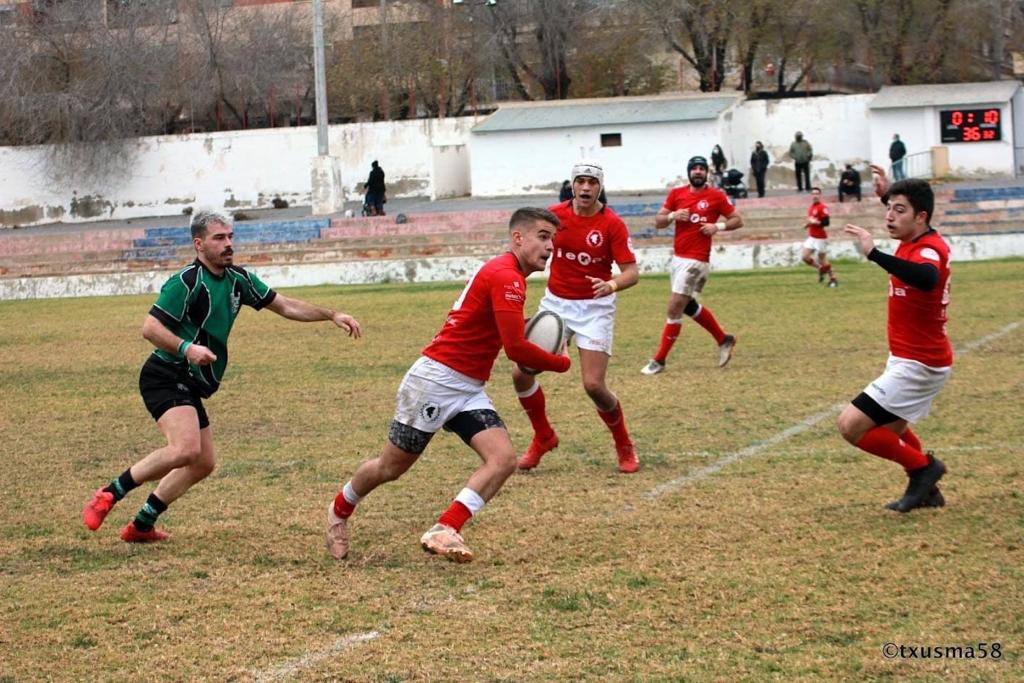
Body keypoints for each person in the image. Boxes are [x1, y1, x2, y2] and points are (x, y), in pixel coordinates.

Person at [81, 210, 362, 542]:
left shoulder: (237, 279)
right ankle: (110, 493)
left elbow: (285, 306)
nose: (229, 244)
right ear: (199, 244)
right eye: (219, 238)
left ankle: (142, 525)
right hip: (165, 374)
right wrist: (187, 348)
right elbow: (150, 329)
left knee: (203, 463)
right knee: (185, 450)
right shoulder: (185, 281)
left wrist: (332, 314)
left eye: (230, 237)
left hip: (191, 380)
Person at [325, 208, 571, 563]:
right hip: (435, 383)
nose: (551, 247)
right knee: (390, 468)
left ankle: (446, 527)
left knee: (502, 459)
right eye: (544, 237)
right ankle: (338, 511)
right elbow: (516, 349)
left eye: (554, 239)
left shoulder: (506, 272)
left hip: (467, 387)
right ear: (518, 238)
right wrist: (561, 362)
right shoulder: (507, 276)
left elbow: (501, 329)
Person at [513, 160, 641, 474]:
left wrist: (610, 284)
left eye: (592, 182)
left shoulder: (612, 224)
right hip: (556, 304)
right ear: (572, 184)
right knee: (521, 373)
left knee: (594, 385)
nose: (585, 187)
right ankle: (543, 435)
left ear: (600, 187)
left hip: (595, 308)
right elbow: (529, 250)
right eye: (580, 181)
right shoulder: (553, 216)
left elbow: (632, 273)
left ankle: (623, 444)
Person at [838, 166, 951, 512]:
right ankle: (927, 489)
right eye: (888, 209)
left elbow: (928, 277)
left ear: (922, 217)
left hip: (920, 363)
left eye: (898, 210)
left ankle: (924, 469)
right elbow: (903, 218)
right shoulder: (912, 238)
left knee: (851, 425)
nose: (889, 216)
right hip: (908, 357)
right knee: (891, 426)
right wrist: (888, 194)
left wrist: (874, 254)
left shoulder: (928, 249)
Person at [641, 156, 743, 376]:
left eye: (701, 169)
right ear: (689, 172)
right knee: (687, 306)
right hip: (678, 258)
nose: (698, 172)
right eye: (694, 168)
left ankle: (659, 360)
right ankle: (724, 339)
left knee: (675, 306)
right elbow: (658, 221)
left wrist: (718, 226)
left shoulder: (716, 196)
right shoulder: (677, 194)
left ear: (707, 173)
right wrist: (672, 215)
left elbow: (737, 220)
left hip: (697, 259)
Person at [801, 187, 838, 287]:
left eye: (817, 194)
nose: (815, 195)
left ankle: (833, 278)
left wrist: (815, 222)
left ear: (820, 195)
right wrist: (808, 224)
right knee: (805, 257)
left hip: (820, 237)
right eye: (813, 194)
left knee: (822, 259)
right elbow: (812, 220)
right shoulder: (811, 207)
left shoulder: (822, 207)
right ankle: (820, 268)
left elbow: (826, 222)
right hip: (812, 237)